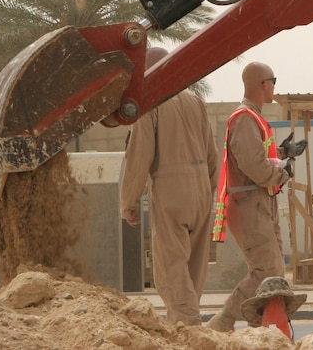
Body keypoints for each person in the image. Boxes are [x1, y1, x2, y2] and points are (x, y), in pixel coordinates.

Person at [119, 46, 218, 327]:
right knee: (194, 266)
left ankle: (188, 324)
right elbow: (212, 153)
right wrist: (208, 191)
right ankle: (183, 320)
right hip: (201, 189)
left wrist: (129, 203)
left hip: (171, 189)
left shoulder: (150, 104)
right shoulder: (195, 101)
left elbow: (139, 158)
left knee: (171, 265)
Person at [206, 61, 292, 333]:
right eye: (274, 80)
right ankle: (223, 322)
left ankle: (261, 326)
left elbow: (258, 156)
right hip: (250, 204)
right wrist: (283, 172)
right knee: (267, 271)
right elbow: (254, 166)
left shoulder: (252, 117)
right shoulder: (244, 118)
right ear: (263, 84)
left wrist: (282, 153)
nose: (275, 87)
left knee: (275, 271)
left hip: (260, 203)